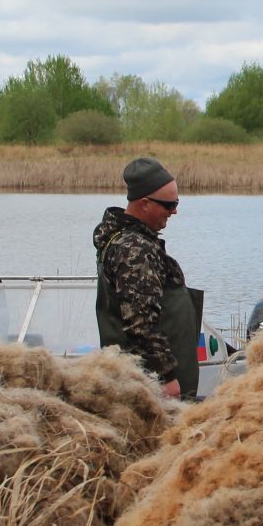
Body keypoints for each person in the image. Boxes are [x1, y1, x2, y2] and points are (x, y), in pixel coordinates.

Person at [95, 156, 203, 399]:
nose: (175, 211)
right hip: (151, 385)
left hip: (136, 378)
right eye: (169, 204)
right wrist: (166, 377)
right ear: (144, 204)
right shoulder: (135, 250)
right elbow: (140, 324)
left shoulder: (119, 237)